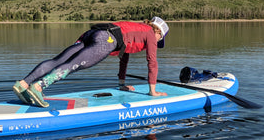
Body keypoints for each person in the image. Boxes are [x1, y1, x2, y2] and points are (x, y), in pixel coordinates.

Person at [13, 17, 169, 107]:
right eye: (159, 39)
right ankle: (39, 86)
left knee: (58, 60)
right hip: (105, 40)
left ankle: (24, 84)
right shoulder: (150, 33)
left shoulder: (136, 28)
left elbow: (124, 57)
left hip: (92, 33)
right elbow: (152, 62)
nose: (157, 42)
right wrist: (153, 91)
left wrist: (122, 84)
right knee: (73, 65)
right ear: (158, 32)